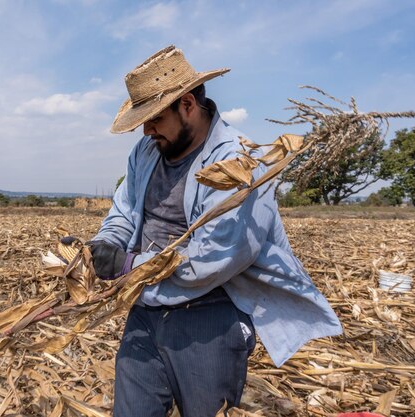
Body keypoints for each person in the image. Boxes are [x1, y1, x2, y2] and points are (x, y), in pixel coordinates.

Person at [88, 45, 342, 417]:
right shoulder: (146, 151)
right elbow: (124, 209)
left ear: (187, 105)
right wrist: (106, 244)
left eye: (155, 117)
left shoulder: (237, 162)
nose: (146, 129)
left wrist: (128, 264)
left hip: (210, 316)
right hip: (145, 308)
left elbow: (215, 258)